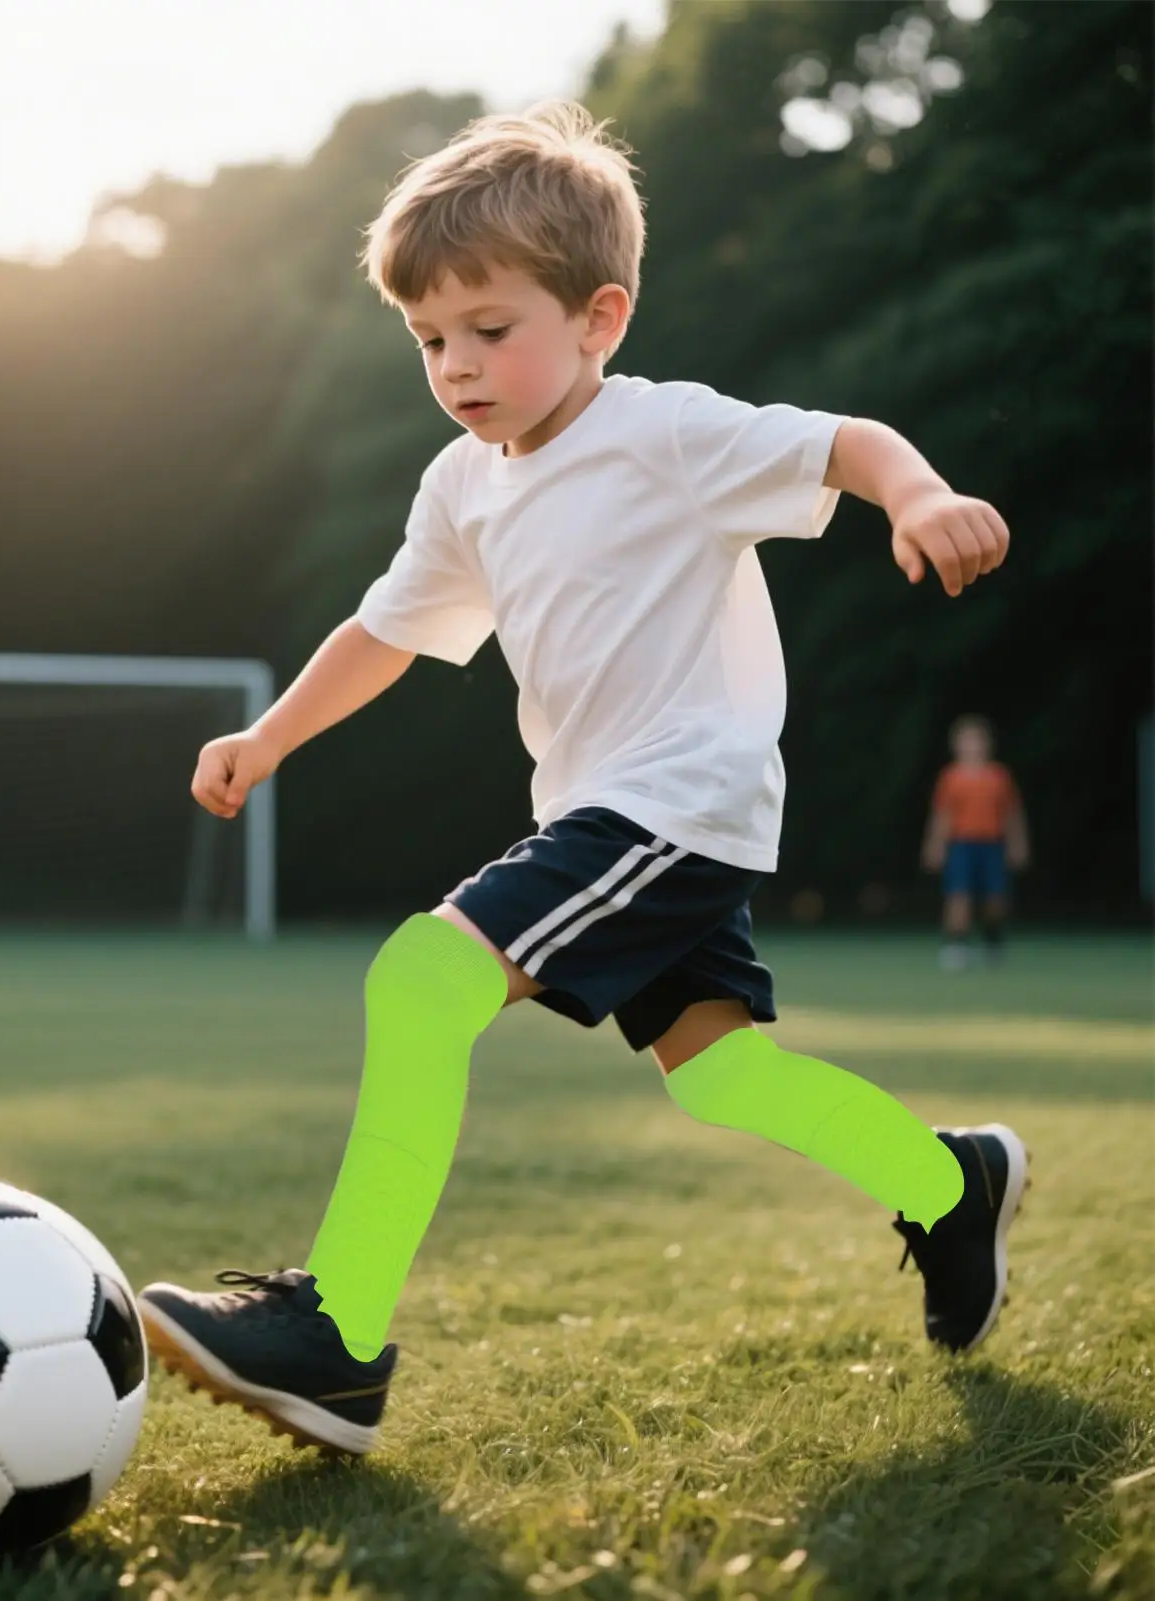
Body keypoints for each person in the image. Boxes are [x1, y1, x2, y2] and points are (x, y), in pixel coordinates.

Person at [136, 104, 1030, 1457]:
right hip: (617, 815)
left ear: (599, 318)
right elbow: (388, 629)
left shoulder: (664, 432)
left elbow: (842, 441)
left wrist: (916, 497)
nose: (458, 365)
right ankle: (947, 1184)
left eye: (491, 330)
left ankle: (340, 1337)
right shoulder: (462, 485)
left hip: (677, 801)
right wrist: (270, 737)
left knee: (419, 976)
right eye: (430, 338)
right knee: (719, 1077)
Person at [922, 715, 1029, 969]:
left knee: (995, 900)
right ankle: (955, 945)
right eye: (966, 741)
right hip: (961, 844)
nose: (972, 746)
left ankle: (992, 941)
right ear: (956, 745)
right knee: (958, 897)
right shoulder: (950, 777)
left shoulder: (999, 776)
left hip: (992, 844)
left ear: (987, 744)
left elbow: (1012, 814)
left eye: (977, 740)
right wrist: (934, 845)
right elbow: (942, 815)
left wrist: (1018, 844)